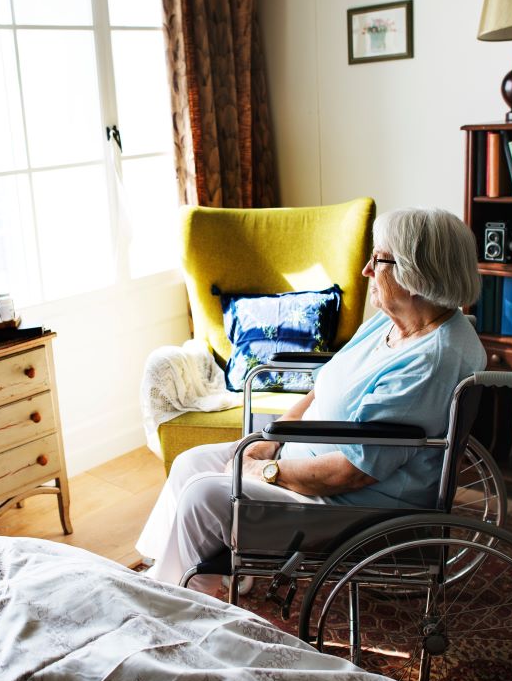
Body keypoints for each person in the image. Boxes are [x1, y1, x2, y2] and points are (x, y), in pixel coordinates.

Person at [136, 206, 486, 589]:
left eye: (379, 259)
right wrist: (271, 442)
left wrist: (266, 471)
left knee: (204, 495)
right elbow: (322, 388)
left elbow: (352, 473)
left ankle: (180, 600)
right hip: (301, 467)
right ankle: (176, 574)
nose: (366, 270)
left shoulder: (429, 362)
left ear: (416, 275)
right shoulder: (390, 323)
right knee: (191, 463)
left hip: (347, 507)